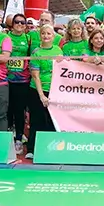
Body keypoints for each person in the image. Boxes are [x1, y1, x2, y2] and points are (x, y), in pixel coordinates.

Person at [27, 24, 63, 159]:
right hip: (37, 91)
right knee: (37, 120)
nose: (46, 36)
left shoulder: (59, 50)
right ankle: (32, 149)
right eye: (43, 33)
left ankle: (50, 149)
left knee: (52, 121)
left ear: (54, 36)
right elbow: (35, 75)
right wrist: (41, 95)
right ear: (40, 35)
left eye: (49, 34)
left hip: (54, 91)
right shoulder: (36, 52)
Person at [5, 13, 32, 154]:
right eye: (17, 22)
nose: (20, 25)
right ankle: (9, 134)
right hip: (6, 79)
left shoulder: (28, 38)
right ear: (12, 24)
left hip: (23, 80)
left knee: (20, 110)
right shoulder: (6, 37)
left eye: (23, 23)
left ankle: (19, 138)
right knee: (8, 109)